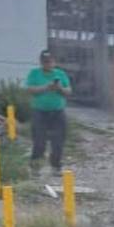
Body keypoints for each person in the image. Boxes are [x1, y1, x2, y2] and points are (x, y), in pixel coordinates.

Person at [25, 49, 72, 177]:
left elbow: (68, 91)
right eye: (45, 61)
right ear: (41, 62)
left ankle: (56, 167)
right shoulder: (34, 73)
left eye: (50, 61)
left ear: (54, 61)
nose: (48, 64)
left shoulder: (60, 74)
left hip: (58, 112)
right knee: (39, 141)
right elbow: (29, 89)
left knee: (58, 141)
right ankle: (35, 168)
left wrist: (59, 88)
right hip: (39, 112)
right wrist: (46, 87)